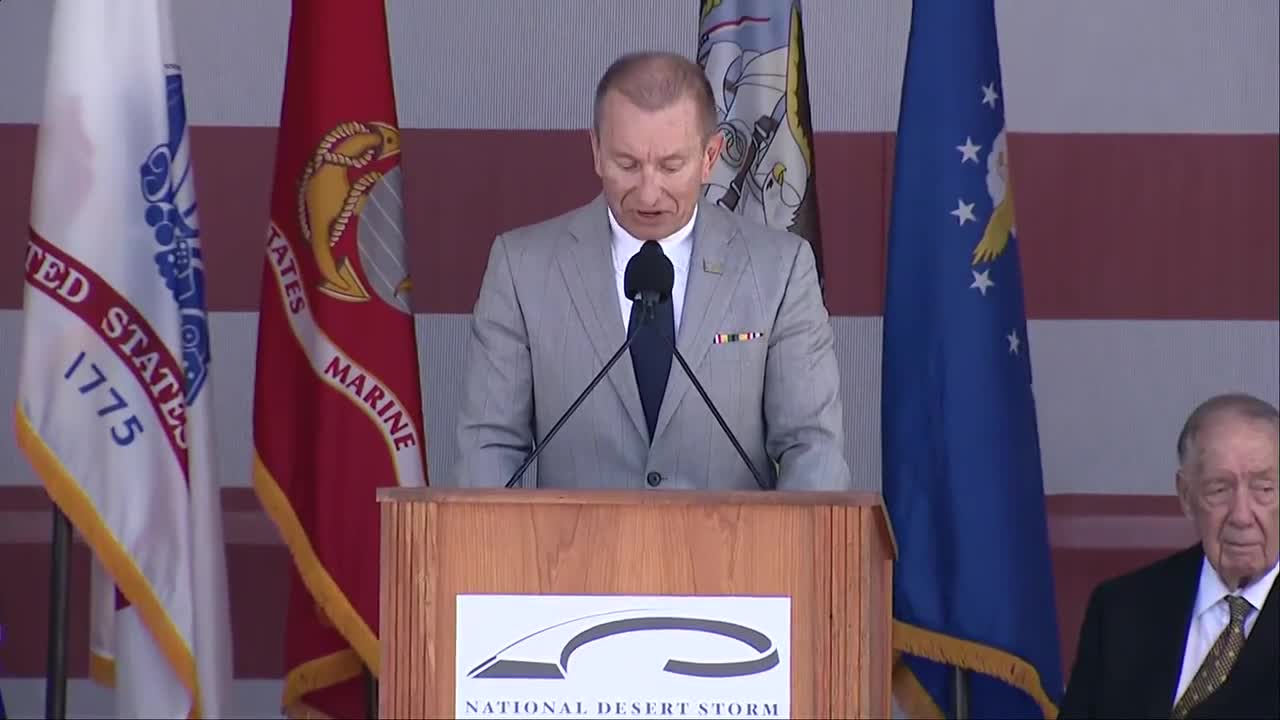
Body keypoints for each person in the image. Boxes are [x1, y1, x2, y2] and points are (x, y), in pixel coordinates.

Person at [449, 51, 851, 491]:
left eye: (670, 166)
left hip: (733, 556)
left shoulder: (780, 270)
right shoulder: (521, 268)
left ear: (710, 156)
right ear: (596, 152)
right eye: (628, 164)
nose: (648, 191)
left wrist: (792, 556)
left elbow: (811, 448)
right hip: (569, 556)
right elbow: (489, 448)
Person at [1060, 393, 1278, 719]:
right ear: (1186, 496)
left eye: (1264, 489)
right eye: (1219, 489)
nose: (1242, 516)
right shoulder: (1120, 608)